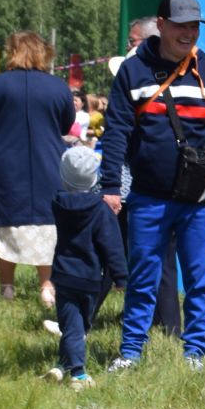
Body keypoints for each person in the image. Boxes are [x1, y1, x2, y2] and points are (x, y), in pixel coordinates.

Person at [99, 0, 205, 372]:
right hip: (147, 197)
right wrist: (110, 186)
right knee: (142, 277)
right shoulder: (133, 72)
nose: (188, 32)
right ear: (161, 25)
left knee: (199, 279)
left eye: (194, 26)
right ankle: (131, 353)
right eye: (180, 25)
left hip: (200, 199)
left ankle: (196, 352)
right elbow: (115, 131)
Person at [0, 31, 74, 305]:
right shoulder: (57, 87)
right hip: (48, 163)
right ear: (43, 53)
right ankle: (47, 287)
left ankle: (7, 289)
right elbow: (65, 124)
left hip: (5, 164)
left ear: (13, 52)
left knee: (5, 224)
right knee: (49, 227)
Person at [42, 145, 125, 387]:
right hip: (90, 278)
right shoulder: (100, 210)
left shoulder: (58, 204)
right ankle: (78, 374)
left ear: (63, 175)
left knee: (70, 323)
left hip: (63, 275)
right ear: (96, 177)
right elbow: (113, 245)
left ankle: (62, 364)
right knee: (78, 326)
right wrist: (120, 276)